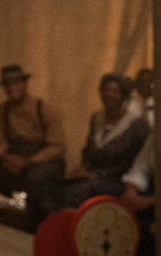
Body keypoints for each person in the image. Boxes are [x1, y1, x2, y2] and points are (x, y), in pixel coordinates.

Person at [0, 64, 65, 231]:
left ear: (24, 83)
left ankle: (31, 227)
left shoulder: (45, 108)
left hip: (42, 160)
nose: (11, 88)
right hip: (12, 159)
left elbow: (57, 146)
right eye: (7, 85)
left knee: (37, 178)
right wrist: (3, 157)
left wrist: (30, 161)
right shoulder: (1, 111)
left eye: (16, 83)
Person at [63, 73, 151, 207]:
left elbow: (136, 163)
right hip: (91, 176)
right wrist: (82, 169)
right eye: (105, 90)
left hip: (119, 181)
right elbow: (88, 150)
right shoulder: (97, 118)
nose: (109, 95)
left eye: (115, 92)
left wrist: (96, 175)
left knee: (80, 190)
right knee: (54, 184)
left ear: (124, 96)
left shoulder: (138, 126)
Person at [121, 134, 155, 256]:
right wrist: (131, 193)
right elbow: (141, 167)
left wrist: (151, 202)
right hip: (149, 197)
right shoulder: (157, 134)